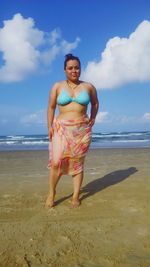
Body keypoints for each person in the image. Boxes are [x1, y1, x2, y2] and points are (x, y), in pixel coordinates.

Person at [45, 53, 99, 208]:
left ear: (80, 69)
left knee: (78, 163)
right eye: (70, 68)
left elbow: (95, 104)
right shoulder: (57, 86)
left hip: (81, 130)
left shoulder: (88, 87)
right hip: (61, 129)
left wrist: (93, 118)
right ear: (65, 70)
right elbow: (51, 107)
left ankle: (75, 196)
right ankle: (51, 193)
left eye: (77, 68)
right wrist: (49, 126)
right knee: (56, 162)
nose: (74, 71)